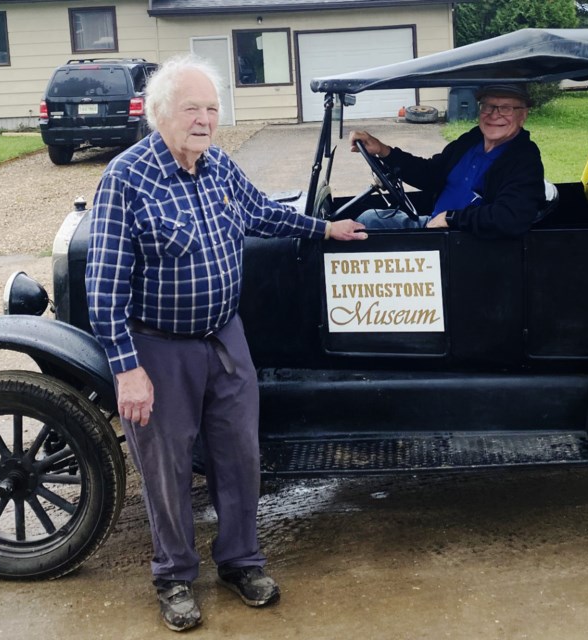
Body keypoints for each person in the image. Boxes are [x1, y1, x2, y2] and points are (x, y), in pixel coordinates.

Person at [84, 54, 367, 632]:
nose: (205, 119)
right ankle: (174, 576)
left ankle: (241, 562)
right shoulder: (126, 178)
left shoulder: (217, 166)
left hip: (225, 338)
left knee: (240, 456)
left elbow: (262, 211)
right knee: (164, 469)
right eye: (192, 107)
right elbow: (104, 285)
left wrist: (325, 228)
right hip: (160, 347)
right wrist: (127, 369)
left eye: (212, 108)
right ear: (161, 113)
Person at [350, 83, 558, 238]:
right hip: (434, 228)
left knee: (363, 231)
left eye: (505, 108)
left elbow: (510, 217)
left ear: (523, 115)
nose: (494, 115)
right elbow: (431, 173)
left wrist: (451, 218)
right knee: (367, 220)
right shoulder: (471, 140)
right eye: (488, 106)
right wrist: (383, 151)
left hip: (465, 245)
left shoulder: (524, 158)